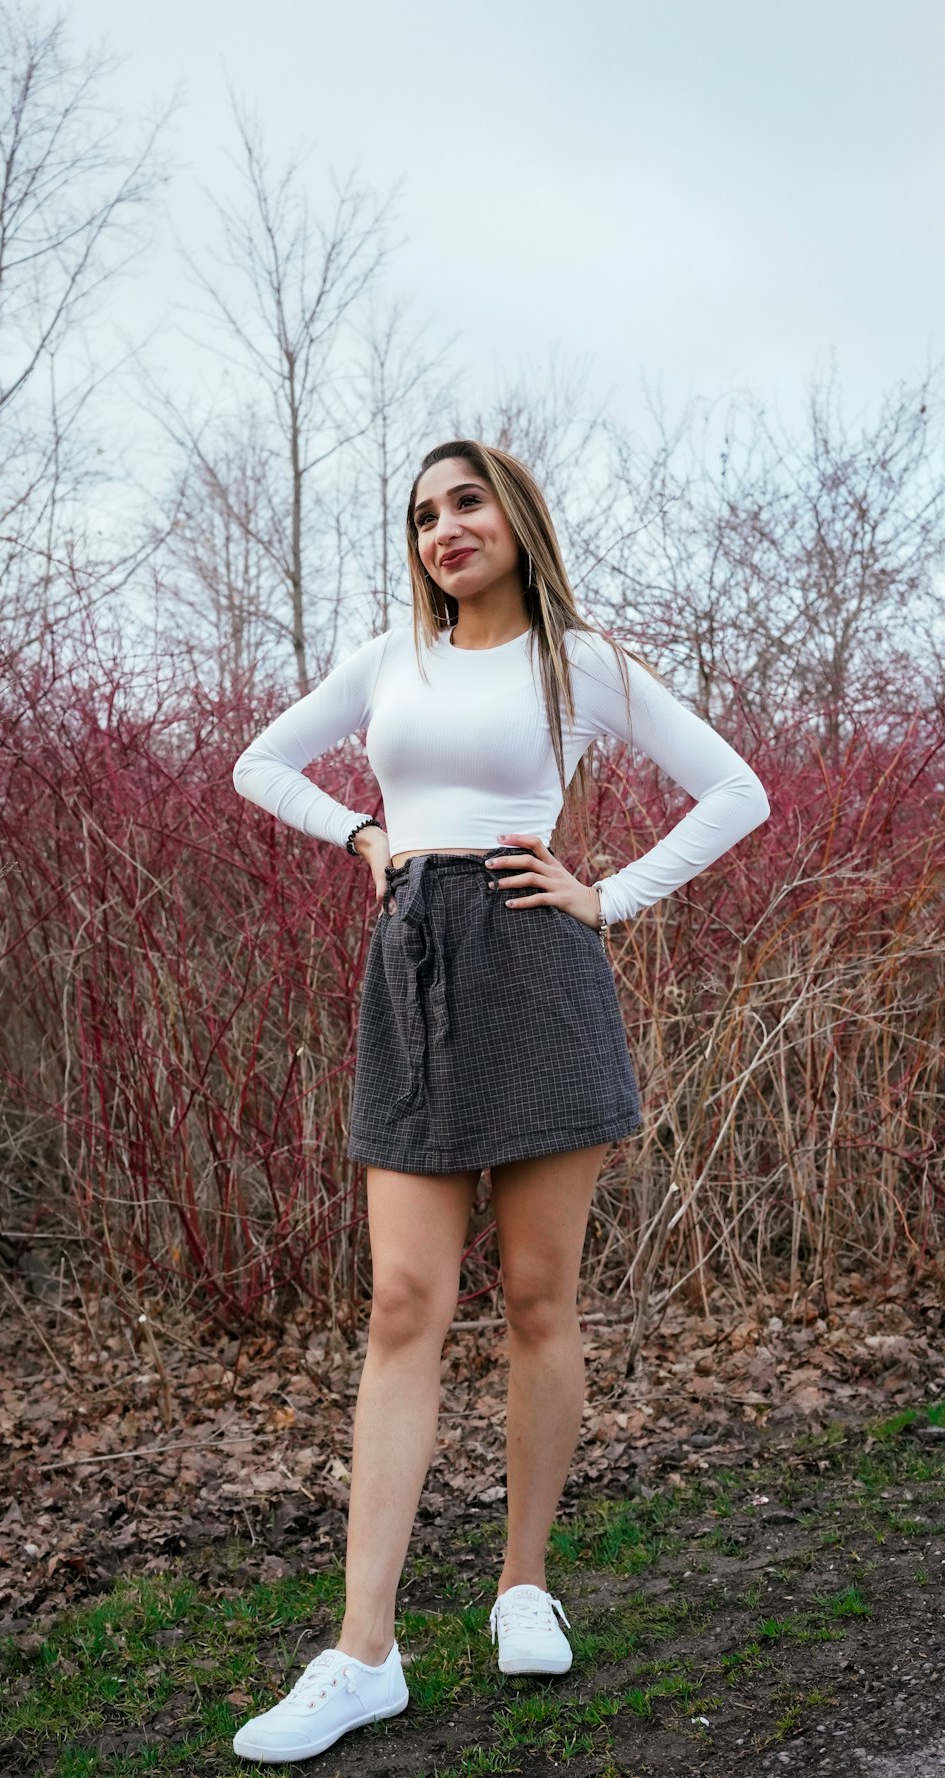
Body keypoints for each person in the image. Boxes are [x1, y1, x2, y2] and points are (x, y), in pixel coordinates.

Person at [229, 438, 770, 1763]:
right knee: (404, 1298)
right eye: (422, 514)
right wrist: (364, 836)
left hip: (537, 961)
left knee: (538, 1296)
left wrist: (608, 893)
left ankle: (522, 1581)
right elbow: (260, 762)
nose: (443, 528)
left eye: (465, 502)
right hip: (412, 967)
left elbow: (737, 790)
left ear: (517, 516)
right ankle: (364, 1652)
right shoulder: (384, 660)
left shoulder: (582, 664)